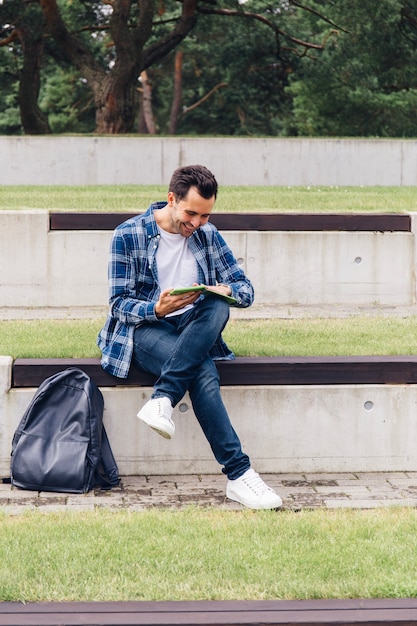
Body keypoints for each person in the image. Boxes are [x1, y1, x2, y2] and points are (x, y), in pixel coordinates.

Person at [97, 164, 282, 510]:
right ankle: (240, 475)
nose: (197, 223)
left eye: (205, 215)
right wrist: (157, 309)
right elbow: (118, 305)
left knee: (218, 305)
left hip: (192, 330)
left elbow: (246, 289)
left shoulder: (207, 235)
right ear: (171, 199)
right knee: (202, 371)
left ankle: (162, 400)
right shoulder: (128, 234)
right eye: (192, 213)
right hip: (144, 330)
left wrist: (224, 288)